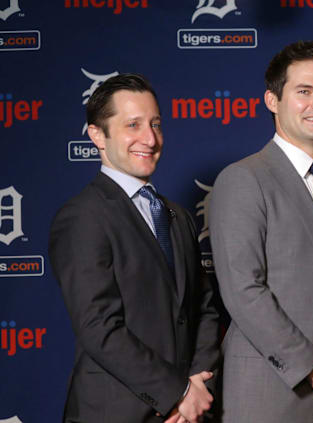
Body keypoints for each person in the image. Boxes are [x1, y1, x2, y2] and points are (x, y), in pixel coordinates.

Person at [209, 41, 313, 422]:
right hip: (271, 395)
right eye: (304, 91)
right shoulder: (243, 179)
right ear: (272, 100)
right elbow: (243, 290)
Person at [49, 73, 221, 423]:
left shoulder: (178, 217)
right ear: (98, 134)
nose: (150, 138)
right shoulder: (82, 216)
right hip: (116, 412)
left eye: (155, 124)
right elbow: (99, 328)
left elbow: (204, 311)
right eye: (133, 125)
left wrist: (198, 390)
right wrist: (177, 393)